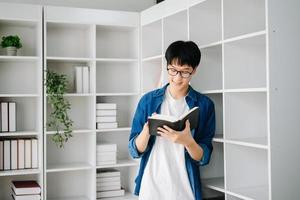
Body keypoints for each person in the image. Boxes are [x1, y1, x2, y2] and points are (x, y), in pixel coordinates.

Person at [128, 40, 216, 200]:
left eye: (185, 72)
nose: (177, 77)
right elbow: (134, 150)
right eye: (173, 70)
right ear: (167, 66)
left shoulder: (205, 105)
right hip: (151, 186)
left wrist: (188, 142)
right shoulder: (148, 101)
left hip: (185, 188)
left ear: (194, 70)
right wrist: (147, 131)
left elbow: (204, 157)